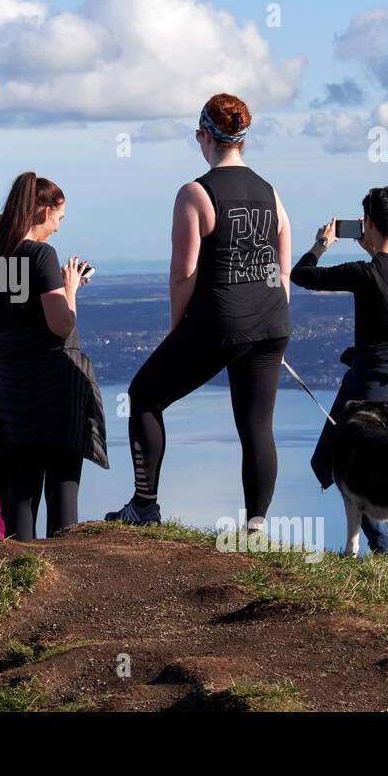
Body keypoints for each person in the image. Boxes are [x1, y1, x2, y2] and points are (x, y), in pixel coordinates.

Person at [106, 94, 292, 531]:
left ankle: (145, 506)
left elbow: (183, 275)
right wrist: (276, 324)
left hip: (222, 321)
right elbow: (283, 268)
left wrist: (176, 330)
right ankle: (256, 529)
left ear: (204, 137)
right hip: (271, 321)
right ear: (243, 140)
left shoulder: (196, 193)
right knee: (257, 426)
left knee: (144, 395)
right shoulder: (270, 192)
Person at [292, 187, 388, 554]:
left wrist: (321, 244)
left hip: (372, 385)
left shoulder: (364, 273)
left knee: (361, 469)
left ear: (366, 223)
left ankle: (384, 552)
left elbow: (301, 275)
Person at [0, 173, 107, 541]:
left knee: (20, 494)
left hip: (13, 387)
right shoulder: (41, 254)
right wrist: (69, 290)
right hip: (54, 384)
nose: (57, 228)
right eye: (58, 218)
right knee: (63, 494)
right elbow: (61, 325)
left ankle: (22, 579)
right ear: (45, 211)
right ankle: (61, 587)